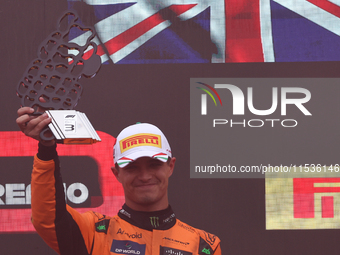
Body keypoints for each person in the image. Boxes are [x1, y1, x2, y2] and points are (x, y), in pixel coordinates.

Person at [16, 106, 221, 255]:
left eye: (154, 164)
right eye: (132, 167)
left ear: (171, 166)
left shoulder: (204, 245)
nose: (145, 176)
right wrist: (46, 148)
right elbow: (49, 219)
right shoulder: (95, 233)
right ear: (116, 174)